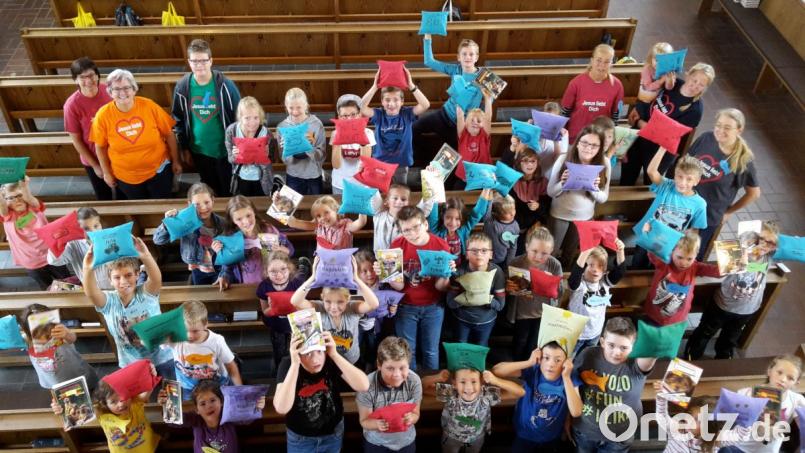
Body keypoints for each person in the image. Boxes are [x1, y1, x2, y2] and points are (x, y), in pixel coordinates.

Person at [685, 222, 778, 360]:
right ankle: (692, 356)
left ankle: (723, 360)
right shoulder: (736, 252)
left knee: (730, 339)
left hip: (747, 310)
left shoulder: (769, 257)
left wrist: (772, 243)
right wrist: (742, 254)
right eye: (760, 240)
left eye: (769, 243)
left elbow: (794, 247)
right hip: (722, 306)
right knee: (705, 332)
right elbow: (720, 271)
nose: (764, 245)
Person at [82, 238, 174, 377]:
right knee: (141, 396)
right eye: (117, 277)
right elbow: (91, 293)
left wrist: (145, 255)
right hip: (132, 362)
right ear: (110, 280)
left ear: (137, 274)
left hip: (162, 358)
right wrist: (87, 268)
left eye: (128, 275)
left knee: (169, 391)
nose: (123, 281)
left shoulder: (145, 293)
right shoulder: (109, 302)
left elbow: (156, 279)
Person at [273, 331, 370, 453]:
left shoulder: (331, 358)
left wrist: (334, 354)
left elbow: (363, 385)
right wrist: (294, 365)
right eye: (307, 354)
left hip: (333, 434)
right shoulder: (288, 364)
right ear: (297, 353)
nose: (315, 360)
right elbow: (281, 408)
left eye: (319, 351)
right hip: (301, 438)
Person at [91, 69, 181, 199]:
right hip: (126, 177)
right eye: (116, 89)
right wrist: (106, 173)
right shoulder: (103, 115)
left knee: (163, 206)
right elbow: (100, 147)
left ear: (134, 89)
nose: (122, 92)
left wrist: (176, 161)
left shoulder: (149, 106)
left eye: (126, 87)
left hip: (159, 171)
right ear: (110, 92)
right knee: (142, 211)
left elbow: (169, 134)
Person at [621, 62, 716, 185]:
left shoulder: (695, 110)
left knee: (650, 185)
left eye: (701, 85)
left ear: (705, 88)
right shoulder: (672, 83)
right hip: (639, 137)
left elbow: (665, 134)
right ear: (688, 75)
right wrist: (638, 108)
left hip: (659, 150)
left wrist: (638, 122)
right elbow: (649, 92)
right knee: (627, 175)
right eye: (694, 80)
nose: (695, 86)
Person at [572, 317, 657, 452]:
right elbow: (572, 382)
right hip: (586, 429)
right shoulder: (588, 354)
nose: (617, 352)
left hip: (620, 434)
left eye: (624, 347)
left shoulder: (636, 362)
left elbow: (648, 360)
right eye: (611, 345)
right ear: (602, 342)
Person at [686, 108, 760, 261]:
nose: (720, 130)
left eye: (727, 127)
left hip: (709, 215)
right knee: (675, 244)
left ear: (739, 130)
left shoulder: (743, 161)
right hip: (686, 202)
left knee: (693, 254)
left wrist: (729, 212)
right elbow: (687, 160)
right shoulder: (706, 138)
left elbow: (754, 193)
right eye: (718, 125)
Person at [385, 206, 454, 370]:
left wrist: (446, 274)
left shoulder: (440, 245)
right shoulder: (396, 245)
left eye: (416, 227)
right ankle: (411, 386)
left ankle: (432, 386)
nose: (412, 233)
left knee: (431, 350)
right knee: (408, 351)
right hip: (406, 306)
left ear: (426, 225)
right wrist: (387, 275)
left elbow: (441, 287)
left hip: (433, 306)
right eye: (406, 230)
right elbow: (399, 286)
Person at [172, 39, 240, 197]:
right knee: (210, 189)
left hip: (225, 150)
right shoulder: (183, 87)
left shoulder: (225, 85)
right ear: (189, 62)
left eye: (203, 60)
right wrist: (184, 148)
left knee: (228, 188)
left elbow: (238, 117)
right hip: (200, 151)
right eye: (195, 61)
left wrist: (237, 145)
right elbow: (178, 120)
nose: (199, 65)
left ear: (211, 61)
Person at [422, 347, 525, 453]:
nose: (468, 388)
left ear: (481, 382)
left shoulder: (486, 394)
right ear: (454, 383)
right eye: (462, 382)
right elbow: (422, 386)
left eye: (474, 381)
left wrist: (496, 380)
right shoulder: (450, 393)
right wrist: (437, 377)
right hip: (450, 437)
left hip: (476, 438)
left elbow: (519, 392)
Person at [492, 343, 583, 452]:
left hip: (551, 437)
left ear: (566, 362)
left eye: (557, 360)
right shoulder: (534, 370)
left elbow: (576, 411)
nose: (550, 364)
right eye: (546, 358)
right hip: (524, 433)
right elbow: (496, 370)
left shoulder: (570, 376)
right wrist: (528, 362)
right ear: (540, 358)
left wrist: (566, 377)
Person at [290, 255, 380, 364]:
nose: (333, 307)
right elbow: (295, 301)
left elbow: (374, 304)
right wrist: (313, 277)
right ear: (322, 298)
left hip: (352, 362)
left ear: (348, 299)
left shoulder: (352, 308)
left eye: (340, 302)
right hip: (328, 362)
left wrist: (356, 279)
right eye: (328, 302)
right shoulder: (319, 308)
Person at [52, 367, 160, 452]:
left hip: (147, 447)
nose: (121, 403)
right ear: (105, 404)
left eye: (123, 396)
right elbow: (77, 413)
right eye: (113, 401)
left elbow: (147, 388)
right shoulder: (101, 414)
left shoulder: (134, 403)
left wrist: (150, 375)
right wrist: (60, 409)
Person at [546, 124, 611, 266]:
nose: (588, 148)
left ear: (600, 148)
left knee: (570, 254)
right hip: (559, 215)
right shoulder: (564, 159)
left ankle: (563, 284)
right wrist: (562, 183)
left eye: (594, 145)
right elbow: (550, 192)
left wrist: (594, 188)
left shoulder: (604, 162)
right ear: (577, 143)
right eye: (585, 143)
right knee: (551, 252)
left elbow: (603, 198)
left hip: (584, 218)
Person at [631, 149, 708, 269]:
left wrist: (686, 251)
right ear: (674, 175)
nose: (682, 182)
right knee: (637, 264)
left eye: (689, 179)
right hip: (647, 236)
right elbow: (651, 171)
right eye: (679, 176)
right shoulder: (667, 186)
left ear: (696, 181)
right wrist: (662, 148)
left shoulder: (700, 204)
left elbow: (694, 231)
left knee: (657, 270)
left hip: (670, 245)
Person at [414, 36, 483, 154]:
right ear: (459, 57)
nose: (467, 57)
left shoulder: (483, 77)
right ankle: (418, 158)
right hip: (443, 115)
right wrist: (427, 38)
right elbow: (429, 61)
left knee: (454, 157)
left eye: (471, 54)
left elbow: (483, 104)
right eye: (464, 54)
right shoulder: (455, 70)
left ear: (476, 57)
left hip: (461, 125)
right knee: (414, 128)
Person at [361, 68, 430, 184]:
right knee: (381, 195)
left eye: (395, 100)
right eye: (387, 100)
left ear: (402, 101)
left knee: (398, 194)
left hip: (401, 164)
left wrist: (411, 86)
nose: (391, 104)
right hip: (380, 163)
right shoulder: (379, 115)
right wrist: (374, 87)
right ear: (382, 102)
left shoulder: (407, 114)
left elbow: (425, 104)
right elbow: (361, 107)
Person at [158, 379, 266, 453]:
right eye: (202, 403)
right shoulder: (195, 419)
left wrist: (256, 406)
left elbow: (246, 420)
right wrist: (166, 404)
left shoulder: (228, 415)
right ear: (197, 410)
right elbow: (173, 420)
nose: (208, 406)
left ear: (222, 402)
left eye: (213, 400)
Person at [1, 177, 70, 289]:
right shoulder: (8, 216)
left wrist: (24, 186)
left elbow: (29, 197)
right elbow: (2, 207)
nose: (17, 200)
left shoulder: (34, 207)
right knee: (48, 287)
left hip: (51, 254)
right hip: (31, 262)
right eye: (11, 198)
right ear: (5, 200)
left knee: (68, 282)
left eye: (19, 195)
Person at [356, 336, 422, 453]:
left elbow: (416, 413)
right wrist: (376, 424)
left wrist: (411, 418)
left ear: (409, 365)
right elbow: (364, 421)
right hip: (376, 443)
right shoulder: (367, 385)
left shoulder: (414, 381)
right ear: (379, 365)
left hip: (406, 442)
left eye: (402, 368)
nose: (396, 375)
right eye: (390, 368)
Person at [506, 227, 563, 361]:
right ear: (526, 247)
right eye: (534, 251)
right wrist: (508, 287)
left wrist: (551, 282)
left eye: (544, 253)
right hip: (522, 313)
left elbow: (560, 292)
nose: (538, 257)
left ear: (551, 252)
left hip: (542, 313)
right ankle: (516, 363)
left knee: (534, 343)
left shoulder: (554, 265)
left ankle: (528, 366)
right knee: (520, 340)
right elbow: (508, 288)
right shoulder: (516, 262)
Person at [214, 195, 294, 290]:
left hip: (272, 284)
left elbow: (291, 251)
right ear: (233, 220)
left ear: (254, 212)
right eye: (239, 219)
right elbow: (227, 265)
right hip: (246, 286)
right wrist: (224, 274)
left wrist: (281, 249)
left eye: (248, 215)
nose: (246, 222)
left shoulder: (268, 230)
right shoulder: (232, 238)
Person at [153, 182, 226, 285]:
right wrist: (167, 224)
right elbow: (158, 240)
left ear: (213, 201)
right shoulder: (184, 223)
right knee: (200, 293)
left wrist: (224, 272)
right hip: (197, 268)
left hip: (219, 267)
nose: (203, 207)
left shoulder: (222, 223)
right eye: (197, 204)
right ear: (189, 204)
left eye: (207, 202)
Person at [643, 230, 720, 327]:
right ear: (672, 251)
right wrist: (648, 233)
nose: (683, 263)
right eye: (680, 257)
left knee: (669, 341)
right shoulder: (664, 262)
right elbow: (652, 250)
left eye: (689, 259)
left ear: (696, 255)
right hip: (654, 314)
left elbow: (717, 272)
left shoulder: (696, 267)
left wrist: (735, 264)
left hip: (677, 318)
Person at [63, 57, 115, 200]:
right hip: (94, 157)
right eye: (82, 77)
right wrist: (96, 166)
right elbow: (77, 140)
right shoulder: (72, 105)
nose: (89, 81)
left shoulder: (110, 91)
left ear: (97, 75)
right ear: (75, 80)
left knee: (124, 192)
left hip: (116, 154)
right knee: (104, 196)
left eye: (91, 75)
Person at [734, 354, 805, 452]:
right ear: (769, 371)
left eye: (790, 378)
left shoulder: (797, 400)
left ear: (796, 383)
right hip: (739, 447)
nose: (783, 379)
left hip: (768, 450)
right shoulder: (746, 393)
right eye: (779, 372)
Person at [171, 300, 242, 397]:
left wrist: (240, 390)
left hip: (216, 387)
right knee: (192, 410)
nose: (189, 336)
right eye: (185, 330)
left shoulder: (217, 341)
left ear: (205, 325)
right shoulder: (175, 338)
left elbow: (231, 367)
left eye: (195, 331)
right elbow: (148, 339)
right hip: (188, 388)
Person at [20, 303, 99, 390]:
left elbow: (72, 339)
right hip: (54, 381)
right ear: (28, 332)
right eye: (39, 332)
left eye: (48, 328)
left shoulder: (60, 332)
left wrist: (67, 334)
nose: (47, 334)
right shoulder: (27, 340)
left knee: (90, 388)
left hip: (77, 373)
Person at [446, 233, 506, 346]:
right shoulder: (459, 272)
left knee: (481, 346)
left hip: (487, 321)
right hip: (462, 320)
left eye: (484, 250)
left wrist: (485, 298)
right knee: (460, 345)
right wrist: (467, 297)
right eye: (474, 250)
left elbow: (500, 305)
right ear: (467, 254)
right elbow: (450, 303)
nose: (479, 254)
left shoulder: (497, 272)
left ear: (491, 254)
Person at [568, 243, 626, 356]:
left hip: (595, 334)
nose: (595, 270)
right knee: (568, 362)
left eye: (600, 266)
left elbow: (620, 271)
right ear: (584, 266)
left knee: (585, 363)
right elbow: (573, 278)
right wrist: (584, 253)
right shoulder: (580, 284)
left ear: (604, 270)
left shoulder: (604, 282)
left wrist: (620, 250)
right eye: (591, 265)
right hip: (575, 335)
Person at [559, 44, 624, 143]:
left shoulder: (617, 86)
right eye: (599, 60)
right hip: (576, 138)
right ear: (592, 60)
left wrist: (611, 141)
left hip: (601, 139)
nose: (602, 65)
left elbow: (615, 117)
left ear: (612, 63)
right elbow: (565, 112)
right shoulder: (576, 83)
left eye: (607, 62)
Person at [654, 388, 751, 452]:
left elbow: (740, 435)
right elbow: (662, 418)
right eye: (690, 415)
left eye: (698, 420)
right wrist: (661, 398)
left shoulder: (715, 439)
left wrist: (747, 412)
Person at [257, 251, 307, 373]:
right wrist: (272, 308)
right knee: (279, 350)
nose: (279, 275)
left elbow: (304, 307)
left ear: (289, 269)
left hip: (295, 325)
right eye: (273, 271)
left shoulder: (297, 283)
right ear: (266, 272)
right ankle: (280, 370)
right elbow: (265, 311)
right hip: (276, 325)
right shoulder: (264, 287)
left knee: (297, 349)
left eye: (283, 269)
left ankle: (298, 370)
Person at [46, 207, 112, 290]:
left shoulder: (111, 238)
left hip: (112, 288)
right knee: (53, 288)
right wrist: (58, 243)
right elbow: (54, 261)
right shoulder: (73, 243)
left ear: (100, 224)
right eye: (86, 229)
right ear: (77, 229)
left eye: (96, 226)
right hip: (89, 291)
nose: (93, 231)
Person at [278, 87, 326, 195]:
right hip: (293, 176)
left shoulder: (316, 124)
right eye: (291, 108)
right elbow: (284, 159)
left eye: (299, 107)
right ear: (286, 106)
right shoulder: (282, 126)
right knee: (292, 210)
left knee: (316, 208)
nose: (295, 112)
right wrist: (287, 149)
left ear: (306, 105)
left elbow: (322, 155)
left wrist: (309, 148)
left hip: (313, 175)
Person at [224, 96, 275, 196]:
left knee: (261, 205)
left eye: (256, 118)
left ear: (260, 116)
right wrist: (235, 155)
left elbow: (272, 159)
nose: (252, 122)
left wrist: (267, 155)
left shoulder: (266, 133)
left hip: (261, 179)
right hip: (241, 178)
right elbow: (230, 159)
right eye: (247, 118)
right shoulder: (232, 131)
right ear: (240, 117)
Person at [427, 189, 494, 259]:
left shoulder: (464, 228)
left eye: (457, 219)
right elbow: (433, 216)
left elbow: (478, 212)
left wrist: (486, 189)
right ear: (442, 216)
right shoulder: (437, 231)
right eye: (448, 217)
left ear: (462, 219)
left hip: (461, 266)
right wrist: (433, 189)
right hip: (443, 268)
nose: (453, 223)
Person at [286, 195, 368, 250]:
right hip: (323, 268)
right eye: (318, 216)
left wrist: (362, 206)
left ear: (336, 210)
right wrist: (279, 202)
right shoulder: (318, 226)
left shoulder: (345, 225)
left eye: (326, 212)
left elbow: (361, 222)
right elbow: (292, 223)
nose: (323, 218)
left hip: (343, 268)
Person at [331, 94, 375, 195]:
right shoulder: (335, 133)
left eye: (353, 114)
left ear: (359, 115)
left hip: (361, 184)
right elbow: (336, 165)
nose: (349, 119)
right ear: (339, 117)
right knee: (339, 211)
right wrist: (339, 140)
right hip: (340, 184)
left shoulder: (368, 133)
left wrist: (361, 136)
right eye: (345, 116)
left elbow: (365, 162)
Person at [373, 183, 435, 251]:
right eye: (395, 198)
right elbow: (371, 192)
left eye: (403, 199)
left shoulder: (413, 216)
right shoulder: (379, 214)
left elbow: (426, 203)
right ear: (387, 201)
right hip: (379, 259)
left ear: (408, 203)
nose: (399, 202)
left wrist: (431, 179)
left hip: (404, 259)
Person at [511, 147, 550, 254]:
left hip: (533, 228)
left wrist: (538, 206)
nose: (530, 165)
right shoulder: (513, 181)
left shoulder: (543, 182)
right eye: (525, 161)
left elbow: (547, 208)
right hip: (515, 228)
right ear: (519, 163)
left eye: (533, 161)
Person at [452, 92, 493, 190]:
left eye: (478, 121)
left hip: (482, 178)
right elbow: (460, 115)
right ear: (466, 123)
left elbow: (488, 117)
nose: (475, 123)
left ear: (482, 124)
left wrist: (487, 99)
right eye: (472, 120)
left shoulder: (484, 134)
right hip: (464, 179)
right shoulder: (463, 134)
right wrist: (461, 97)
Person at [483, 195, 519, 268]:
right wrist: (491, 198)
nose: (512, 213)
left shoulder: (515, 226)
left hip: (502, 260)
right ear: (497, 213)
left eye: (514, 209)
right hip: (486, 259)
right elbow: (487, 210)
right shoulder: (490, 222)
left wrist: (510, 264)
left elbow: (513, 247)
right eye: (507, 212)